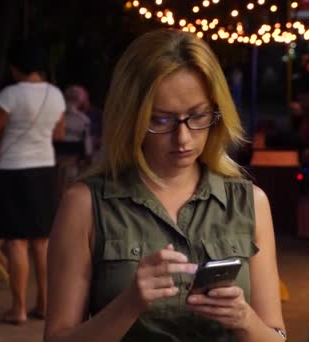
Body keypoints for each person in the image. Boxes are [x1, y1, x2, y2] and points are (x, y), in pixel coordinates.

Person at [44, 30, 286, 341]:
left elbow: (276, 335)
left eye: (198, 116)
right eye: (160, 120)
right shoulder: (86, 204)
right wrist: (129, 305)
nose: (183, 138)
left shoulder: (250, 202)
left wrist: (245, 321)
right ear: (131, 118)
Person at [0, 43, 66, 325]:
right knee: (42, 242)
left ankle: (17, 309)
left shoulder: (10, 94)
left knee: (16, 241)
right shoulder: (55, 94)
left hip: (14, 171)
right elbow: (59, 135)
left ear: (16, 67)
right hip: (44, 171)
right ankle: (43, 304)